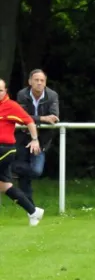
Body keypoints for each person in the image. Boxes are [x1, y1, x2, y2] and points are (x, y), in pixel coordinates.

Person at [0, 78, 45, 225]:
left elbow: (29, 121)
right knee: (4, 186)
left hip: (4, 149)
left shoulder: (11, 106)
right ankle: (33, 211)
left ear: (5, 92)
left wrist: (35, 139)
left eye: (0, 90)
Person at [13, 69, 60, 206]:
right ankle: (30, 208)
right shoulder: (22, 94)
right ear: (30, 82)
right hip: (23, 137)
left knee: (36, 171)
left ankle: (9, 168)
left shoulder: (52, 95)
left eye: (42, 81)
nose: (39, 83)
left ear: (45, 83)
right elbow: (21, 117)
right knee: (24, 176)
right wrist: (43, 118)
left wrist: (37, 134)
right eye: (36, 80)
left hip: (41, 140)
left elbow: (54, 117)